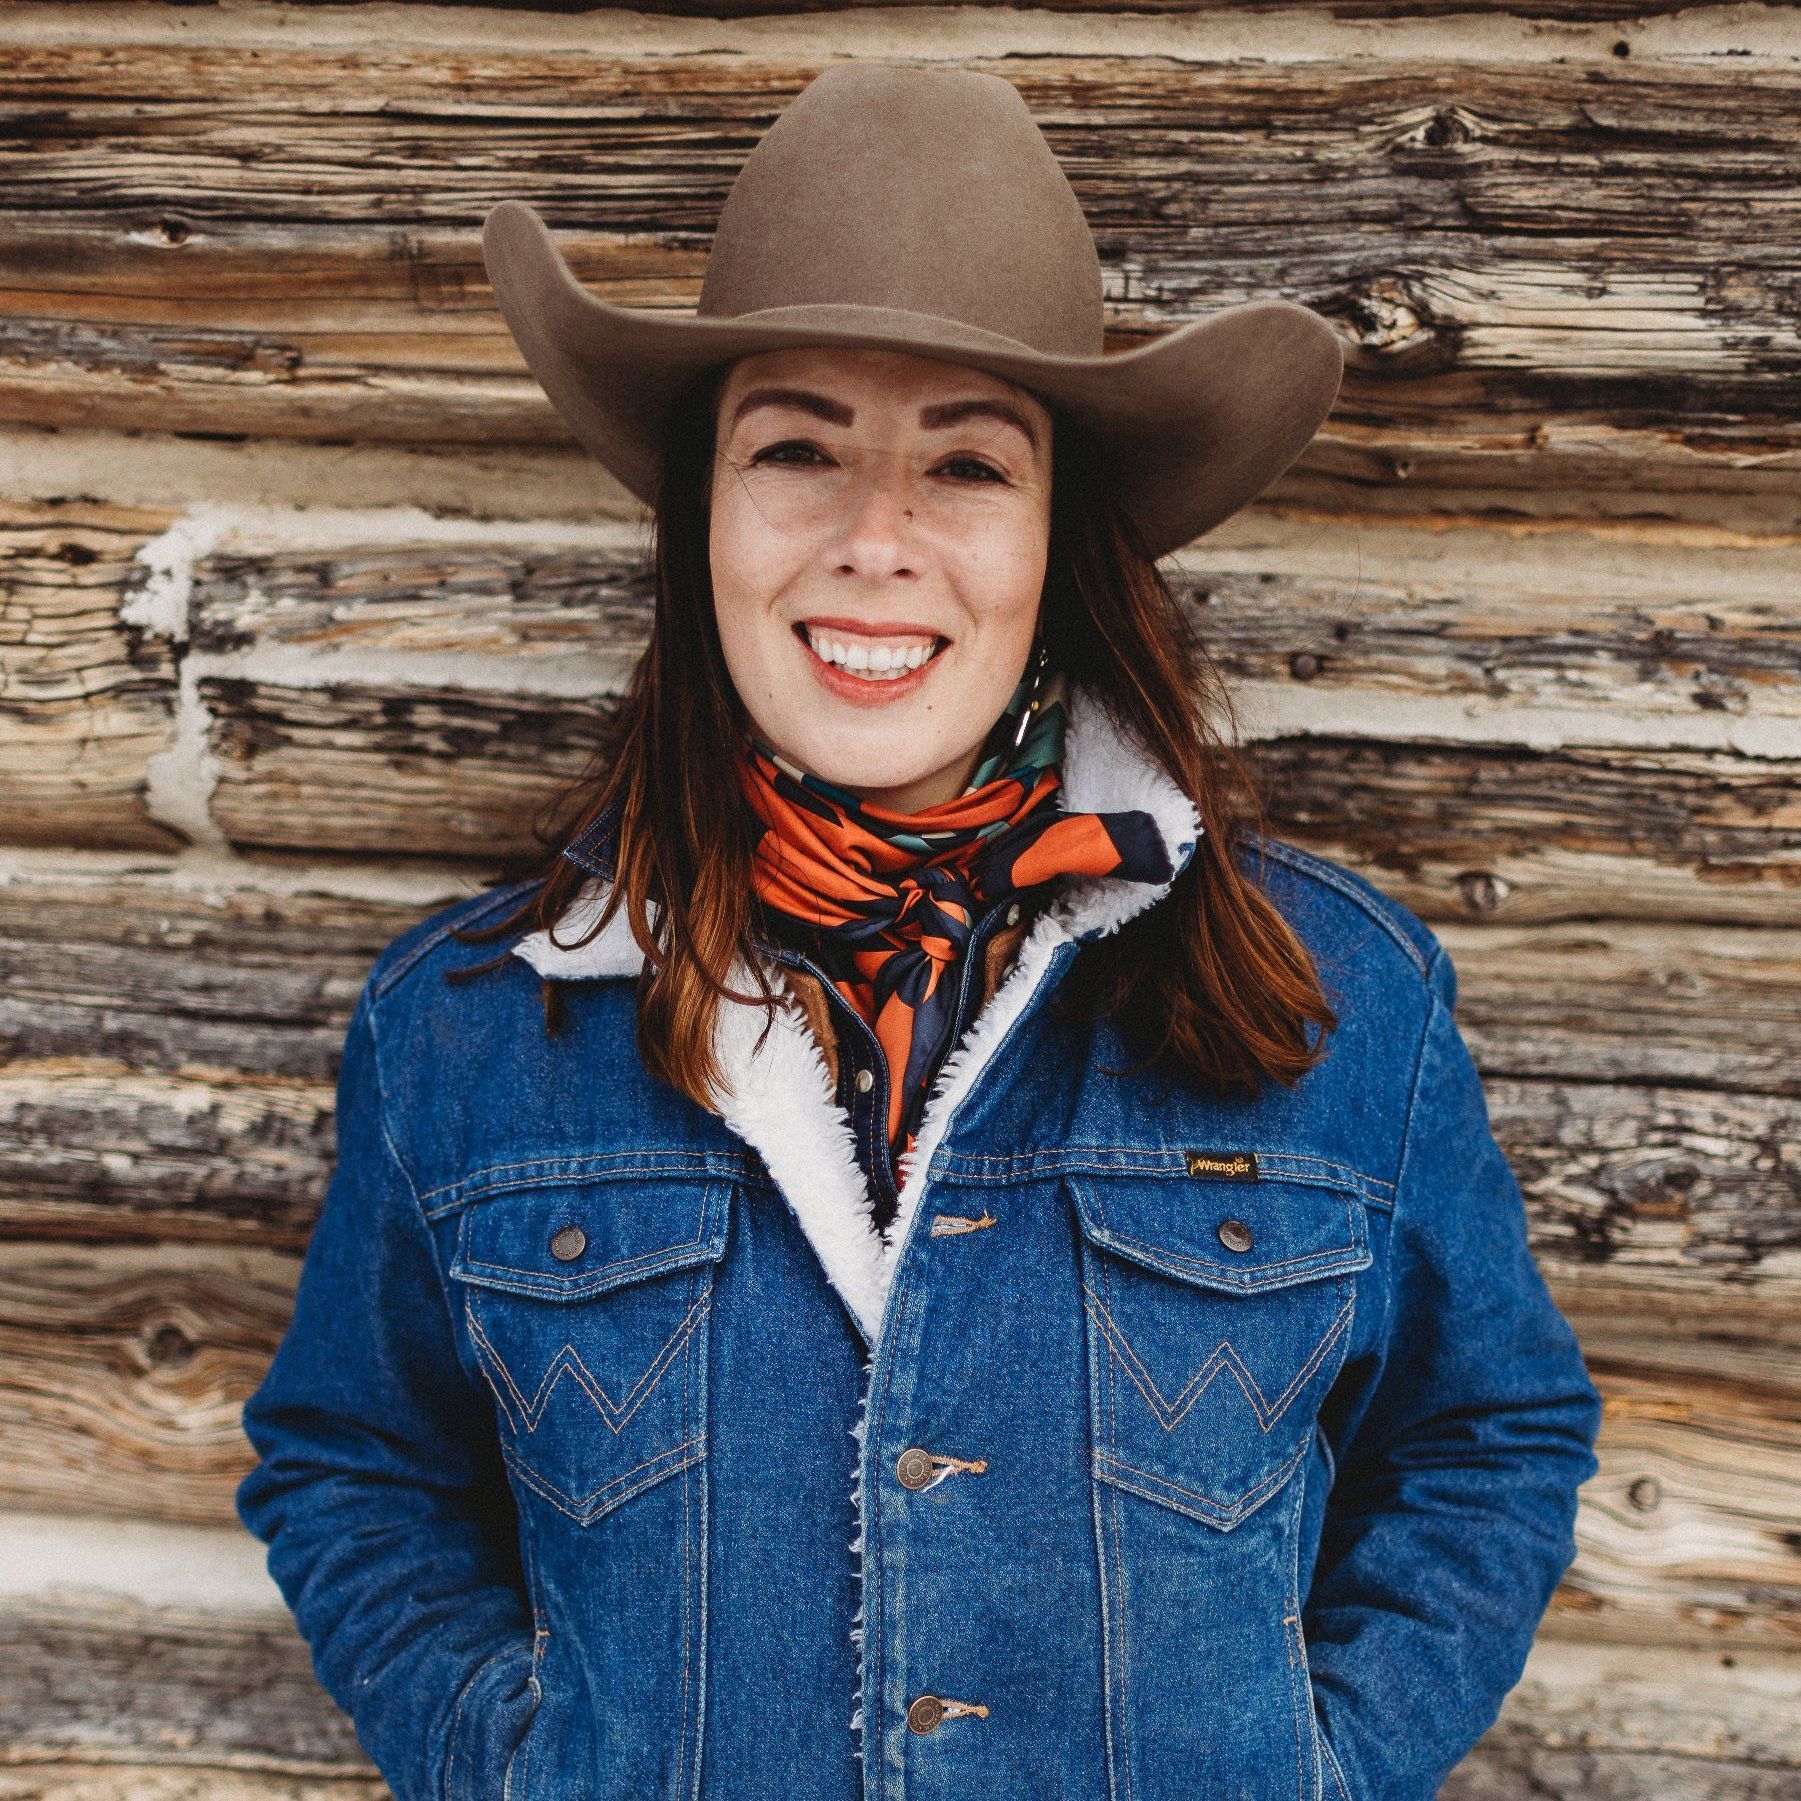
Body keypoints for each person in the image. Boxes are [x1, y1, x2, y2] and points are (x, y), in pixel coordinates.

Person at [234, 60, 1603, 1801]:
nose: (875, 542)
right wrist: (516, 1766)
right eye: (796, 448)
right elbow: (353, 1460)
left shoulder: (1342, 1003)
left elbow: (1492, 1435)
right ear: (698, 516)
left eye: (965, 465)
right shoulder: (473, 1028)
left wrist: (1315, 1769)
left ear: (1056, 539)